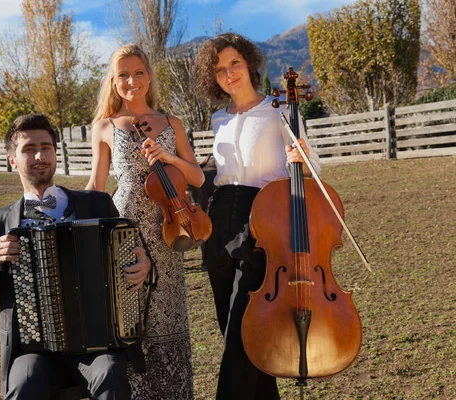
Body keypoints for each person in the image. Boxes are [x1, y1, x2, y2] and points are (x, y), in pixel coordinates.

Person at [0, 113, 152, 400]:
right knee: (24, 385)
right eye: (29, 149)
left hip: (97, 343)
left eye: (46, 147)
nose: (40, 155)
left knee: (110, 374)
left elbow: (133, 253)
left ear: (55, 152)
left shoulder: (97, 204)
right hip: (33, 351)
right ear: (12, 159)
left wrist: (142, 264)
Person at [194, 33, 321, 399]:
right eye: (219, 69)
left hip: (262, 224)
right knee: (240, 340)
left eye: (234, 63)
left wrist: (302, 161)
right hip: (217, 226)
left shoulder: (279, 110)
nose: (228, 73)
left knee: (241, 337)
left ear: (249, 63)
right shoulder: (218, 118)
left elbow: (310, 166)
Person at [85, 44, 204, 399]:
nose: (131, 80)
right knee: (130, 321)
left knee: (168, 324)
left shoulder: (172, 123)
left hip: (169, 229)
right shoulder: (104, 126)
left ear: (149, 77)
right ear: (113, 81)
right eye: (122, 74)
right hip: (126, 234)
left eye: (138, 72)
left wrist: (167, 156)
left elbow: (196, 177)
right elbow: (96, 186)